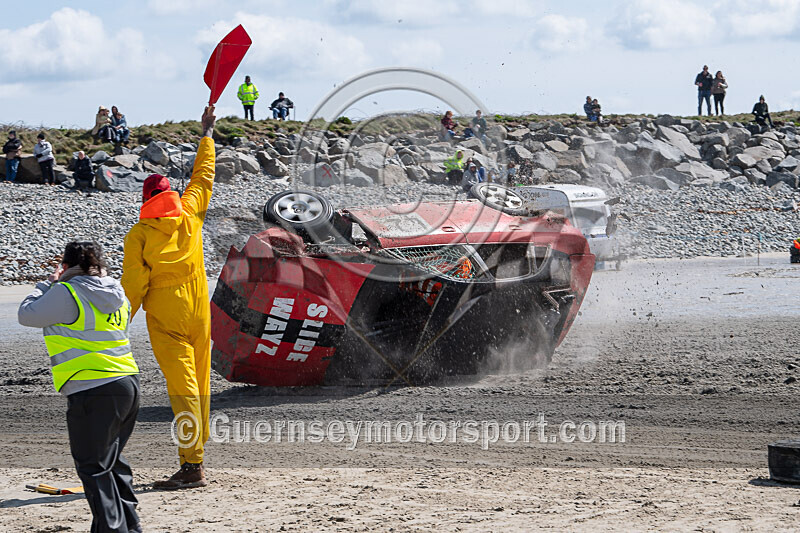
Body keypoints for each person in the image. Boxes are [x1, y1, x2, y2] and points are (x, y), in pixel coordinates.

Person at [121, 105, 216, 490]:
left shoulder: (139, 235)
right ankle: (198, 450)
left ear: (146, 200)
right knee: (201, 381)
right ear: (171, 196)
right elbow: (204, 175)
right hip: (198, 303)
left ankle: (192, 464)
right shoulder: (190, 211)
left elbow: (133, 285)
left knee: (183, 386)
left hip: (165, 309)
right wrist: (207, 133)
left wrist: (118, 323)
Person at [18, 241, 141, 533]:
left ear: (66, 265)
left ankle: (112, 530)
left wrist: (44, 286)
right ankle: (130, 526)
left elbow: (27, 314)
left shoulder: (66, 291)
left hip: (93, 388)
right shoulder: (117, 291)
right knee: (112, 462)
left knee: (93, 467)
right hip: (127, 383)